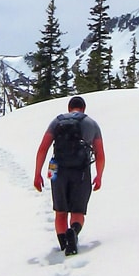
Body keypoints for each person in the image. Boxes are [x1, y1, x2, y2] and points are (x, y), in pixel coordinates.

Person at [33, 96, 105, 255]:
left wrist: (37, 174)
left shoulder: (57, 122)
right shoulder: (91, 124)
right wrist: (99, 176)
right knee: (78, 212)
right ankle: (73, 231)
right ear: (84, 109)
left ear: (69, 108)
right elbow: (100, 154)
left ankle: (64, 246)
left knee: (60, 212)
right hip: (81, 171)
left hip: (57, 169)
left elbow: (43, 148)